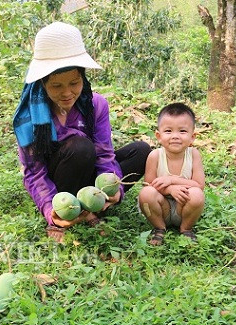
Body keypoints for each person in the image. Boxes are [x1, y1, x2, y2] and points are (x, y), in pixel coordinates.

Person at [13, 22, 150, 243]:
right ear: (43, 84)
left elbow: (105, 155)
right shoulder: (30, 117)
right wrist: (50, 209)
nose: (67, 93)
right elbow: (34, 172)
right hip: (59, 184)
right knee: (80, 147)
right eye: (57, 86)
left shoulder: (96, 105)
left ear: (83, 78)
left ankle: (94, 206)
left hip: (88, 175)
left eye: (74, 83)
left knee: (142, 151)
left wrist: (113, 187)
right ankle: (74, 214)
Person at [138, 103, 205, 245]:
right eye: (168, 131)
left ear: (192, 137)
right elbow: (148, 184)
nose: (175, 136)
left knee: (197, 194)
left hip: (184, 208)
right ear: (159, 136)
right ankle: (159, 227)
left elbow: (199, 184)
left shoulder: (193, 155)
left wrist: (171, 180)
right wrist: (170, 189)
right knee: (145, 194)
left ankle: (186, 228)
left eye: (182, 131)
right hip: (161, 209)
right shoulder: (155, 156)